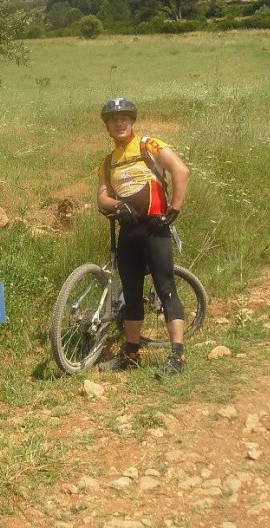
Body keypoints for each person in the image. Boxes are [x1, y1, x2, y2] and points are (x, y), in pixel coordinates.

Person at [96, 97, 191, 376]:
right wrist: (117, 205)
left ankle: (177, 355)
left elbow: (181, 171)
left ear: (133, 121)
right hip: (128, 232)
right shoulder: (108, 162)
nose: (120, 122)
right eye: (114, 120)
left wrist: (174, 208)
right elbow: (102, 197)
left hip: (154, 228)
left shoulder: (149, 145)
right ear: (108, 127)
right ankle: (132, 352)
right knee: (132, 294)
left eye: (125, 118)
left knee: (166, 288)